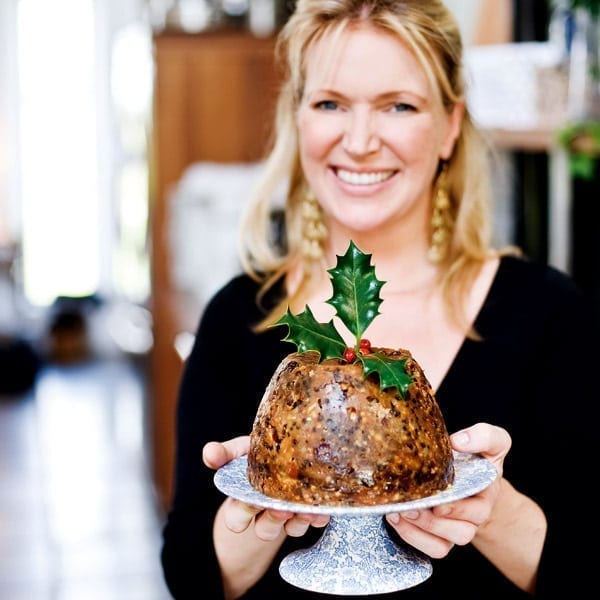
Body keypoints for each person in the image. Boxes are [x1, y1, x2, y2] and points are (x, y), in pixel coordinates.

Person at [160, 1, 598, 598]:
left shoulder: (551, 314)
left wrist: (494, 513)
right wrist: (251, 521)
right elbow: (189, 578)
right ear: (299, 121)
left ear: (449, 126)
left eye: (399, 105)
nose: (360, 140)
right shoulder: (237, 319)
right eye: (330, 104)